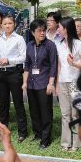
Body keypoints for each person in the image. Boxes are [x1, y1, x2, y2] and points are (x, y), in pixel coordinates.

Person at [0, 15, 28, 142]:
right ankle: (2, 131)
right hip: (1, 73)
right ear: (2, 25)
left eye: (10, 23)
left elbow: (23, 57)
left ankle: (22, 132)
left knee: (18, 103)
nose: (7, 26)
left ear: (14, 24)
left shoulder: (19, 39)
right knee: (4, 104)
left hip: (14, 73)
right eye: (5, 24)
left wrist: (9, 61)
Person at [23, 19, 57, 149]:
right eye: (39, 31)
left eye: (44, 30)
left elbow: (53, 65)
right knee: (34, 110)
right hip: (31, 83)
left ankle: (45, 139)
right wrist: (24, 82)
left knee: (45, 112)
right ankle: (37, 133)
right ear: (32, 32)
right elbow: (27, 64)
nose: (42, 33)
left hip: (44, 83)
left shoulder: (50, 45)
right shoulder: (30, 45)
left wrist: (51, 84)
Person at [56, 17, 81, 151]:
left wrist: (74, 64)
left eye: (60, 27)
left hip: (76, 82)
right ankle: (65, 143)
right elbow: (59, 65)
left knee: (75, 114)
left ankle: (76, 143)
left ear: (66, 29)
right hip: (63, 81)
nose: (58, 29)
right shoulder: (58, 44)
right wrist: (57, 82)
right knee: (65, 113)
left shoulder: (80, 44)